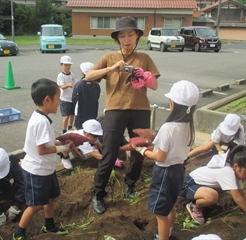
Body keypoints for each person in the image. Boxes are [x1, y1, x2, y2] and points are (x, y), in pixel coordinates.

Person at [85, 16, 160, 215]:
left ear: (137, 36)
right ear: (117, 38)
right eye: (122, 35)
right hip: (115, 110)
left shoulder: (144, 58)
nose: (126, 39)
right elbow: (88, 76)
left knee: (138, 152)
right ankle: (98, 193)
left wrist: (144, 75)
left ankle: (130, 184)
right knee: (109, 153)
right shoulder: (109, 57)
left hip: (140, 110)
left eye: (130, 34)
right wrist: (110, 69)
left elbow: (154, 85)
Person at [133, 80, 200, 240]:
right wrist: (153, 138)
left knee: (160, 212)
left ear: (174, 104)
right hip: (178, 170)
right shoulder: (188, 126)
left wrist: (142, 150)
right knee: (169, 205)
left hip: (165, 172)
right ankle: (168, 234)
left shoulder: (168, 127)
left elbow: (160, 156)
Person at [12, 78, 72, 240]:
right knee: (35, 204)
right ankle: (19, 233)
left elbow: (46, 143)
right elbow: (42, 149)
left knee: (49, 198)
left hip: (47, 169)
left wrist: (60, 141)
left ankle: (49, 225)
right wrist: (61, 148)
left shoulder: (42, 118)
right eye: (58, 97)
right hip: (37, 171)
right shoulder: (41, 122)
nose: (59, 102)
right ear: (47, 99)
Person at [180, 145, 246, 226]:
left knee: (223, 189)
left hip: (201, 186)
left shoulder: (235, 172)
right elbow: (237, 198)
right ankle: (194, 206)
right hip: (188, 184)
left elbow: (241, 194)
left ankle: (207, 201)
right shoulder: (227, 172)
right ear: (236, 166)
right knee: (212, 196)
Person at [0, 148, 25, 227]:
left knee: (7, 188)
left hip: (6, 180)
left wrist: (16, 206)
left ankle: (6, 190)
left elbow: (21, 184)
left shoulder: (13, 164)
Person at [72, 62, 101, 130]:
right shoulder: (96, 85)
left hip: (80, 112)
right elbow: (97, 96)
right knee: (90, 129)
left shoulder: (79, 85)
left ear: (83, 72)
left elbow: (74, 99)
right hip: (93, 112)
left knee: (77, 128)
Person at [57, 55, 77, 133]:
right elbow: (62, 87)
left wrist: (74, 86)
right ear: (61, 65)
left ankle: (70, 127)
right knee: (66, 115)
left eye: (69, 65)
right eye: (65, 65)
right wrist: (68, 85)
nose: (67, 67)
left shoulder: (72, 74)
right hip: (65, 98)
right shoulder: (60, 75)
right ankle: (64, 130)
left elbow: (75, 83)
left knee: (72, 114)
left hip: (72, 97)